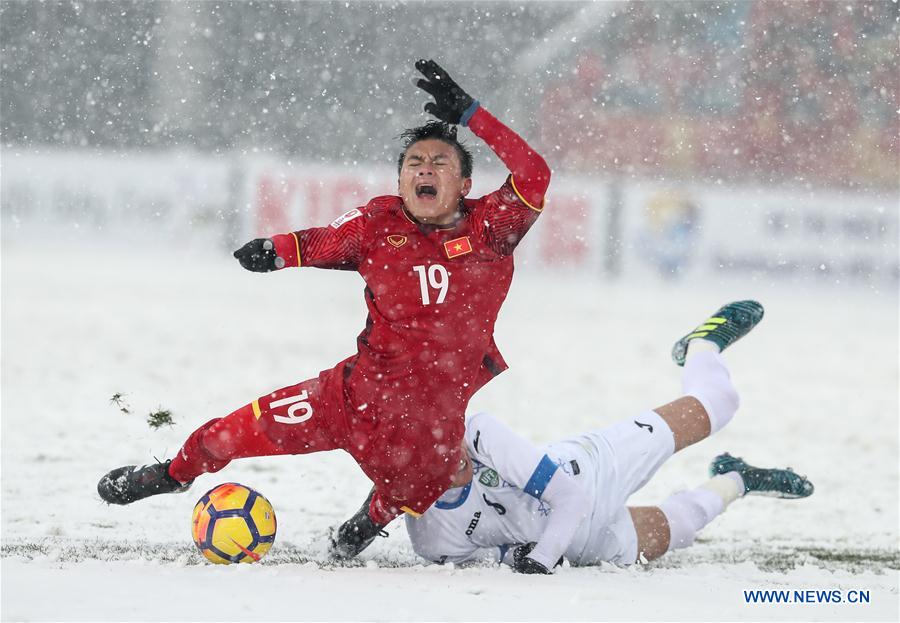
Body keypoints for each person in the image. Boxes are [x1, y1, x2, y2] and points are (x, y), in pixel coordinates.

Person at [97, 59, 551, 559]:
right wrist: (277, 251)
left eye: (440, 163)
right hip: (349, 398)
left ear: (465, 184)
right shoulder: (379, 222)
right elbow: (326, 241)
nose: (425, 168)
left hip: (429, 426)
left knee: (415, 486)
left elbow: (535, 172)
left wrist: (472, 115)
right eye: (414, 162)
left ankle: (368, 519)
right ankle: (170, 473)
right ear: (401, 182)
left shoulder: (491, 230)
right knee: (228, 434)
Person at [404, 300, 815, 573]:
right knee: (684, 526)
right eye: (434, 456)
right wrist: (530, 554)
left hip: (592, 471)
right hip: (581, 547)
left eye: (448, 438)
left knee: (720, 402)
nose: (454, 454)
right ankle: (739, 477)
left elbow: (572, 500)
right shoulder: (430, 534)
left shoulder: (480, 433)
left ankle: (701, 344)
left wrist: (542, 560)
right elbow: (495, 558)